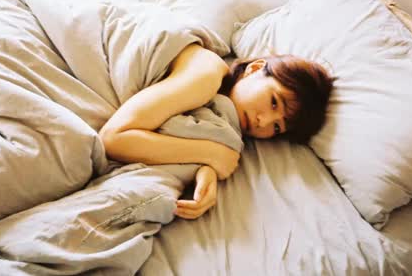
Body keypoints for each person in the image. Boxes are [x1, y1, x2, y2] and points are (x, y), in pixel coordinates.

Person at [99, 43, 334, 220]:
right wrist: (212, 154)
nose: (263, 122)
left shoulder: (219, 114)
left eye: (276, 127)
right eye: (274, 102)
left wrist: (206, 169)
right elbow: (112, 139)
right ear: (254, 69)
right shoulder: (207, 74)